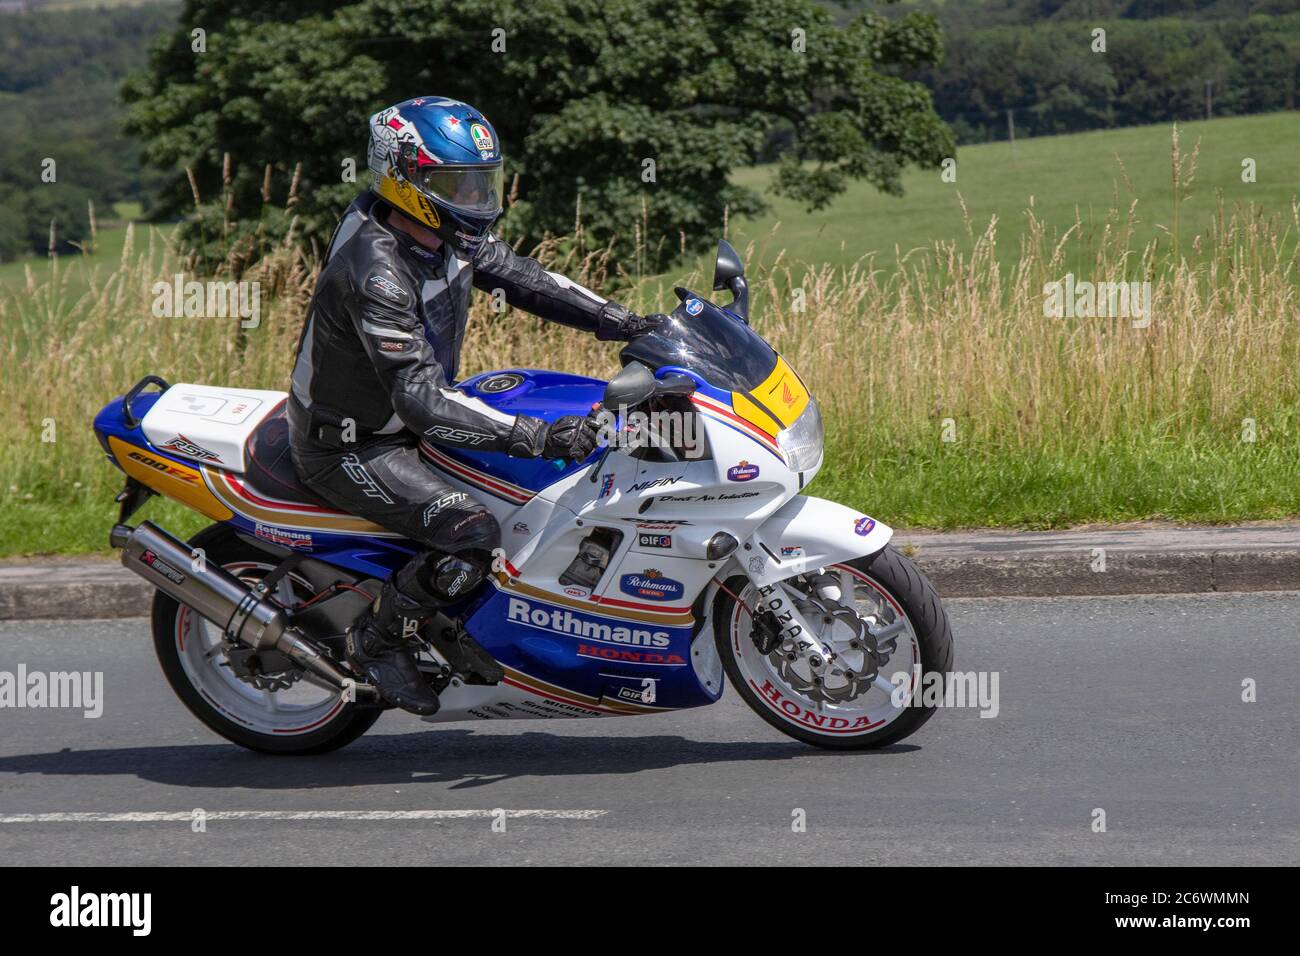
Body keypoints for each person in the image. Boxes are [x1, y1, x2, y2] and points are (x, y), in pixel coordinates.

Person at [287, 96, 661, 715]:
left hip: (404, 423)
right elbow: (423, 400)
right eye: (454, 183)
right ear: (403, 180)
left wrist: (627, 323)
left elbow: (521, 276)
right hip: (353, 444)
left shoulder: (439, 232)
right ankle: (379, 639)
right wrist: (540, 435)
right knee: (471, 533)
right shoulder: (375, 270)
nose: (474, 198)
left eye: (480, 182)